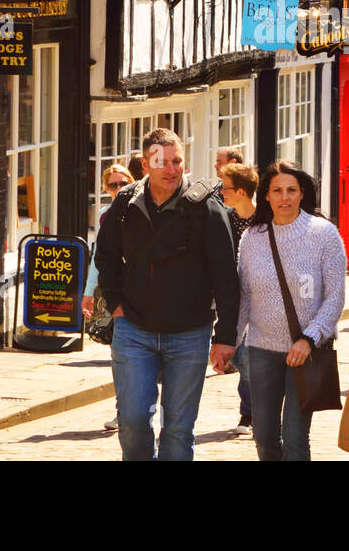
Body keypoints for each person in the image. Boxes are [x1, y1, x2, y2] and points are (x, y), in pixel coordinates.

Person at [95, 127, 239, 461]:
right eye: (162, 162)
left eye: (177, 161)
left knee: (178, 428)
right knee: (131, 421)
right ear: (145, 164)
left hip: (190, 333)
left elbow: (226, 275)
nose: (171, 169)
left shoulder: (205, 207)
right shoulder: (125, 202)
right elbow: (105, 257)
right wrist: (115, 304)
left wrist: (226, 336)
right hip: (134, 330)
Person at [237, 161, 346, 461]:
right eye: (277, 191)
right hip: (261, 350)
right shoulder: (251, 239)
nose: (285, 197)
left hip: (306, 351)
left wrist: (309, 338)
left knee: (297, 437)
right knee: (264, 436)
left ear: (302, 194)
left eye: (291, 190)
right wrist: (228, 343)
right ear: (266, 196)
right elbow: (244, 297)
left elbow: (335, 298)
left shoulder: (324, 234)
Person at [82, 163, 135, 432]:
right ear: (105, 188)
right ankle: (123, 411)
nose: (118, 188)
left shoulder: (141, 210)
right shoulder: (104, 215)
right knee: (118, 352)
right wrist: (89, 292)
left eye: (122, 182)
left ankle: (141, 405)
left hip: (141, 292)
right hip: (113, 292)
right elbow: (97, 259)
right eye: (113, 184)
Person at [220, 160, 259, 436]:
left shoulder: (263, 222)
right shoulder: (223, 217)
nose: (222, 192)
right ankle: (253, 409)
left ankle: (250, 413)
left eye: (226, 188)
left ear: (242, 192)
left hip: (261, 298)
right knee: (241, 355)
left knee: (248, 354)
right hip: (232, 297)